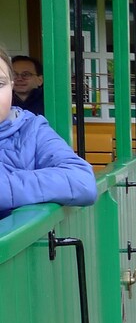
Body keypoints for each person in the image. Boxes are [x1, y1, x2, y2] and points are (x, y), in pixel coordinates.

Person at [1, 45, 97, 221]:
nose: (21, 79)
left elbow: (82, 181)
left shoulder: (36, 122)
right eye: (17, 75)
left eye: (26, 74)